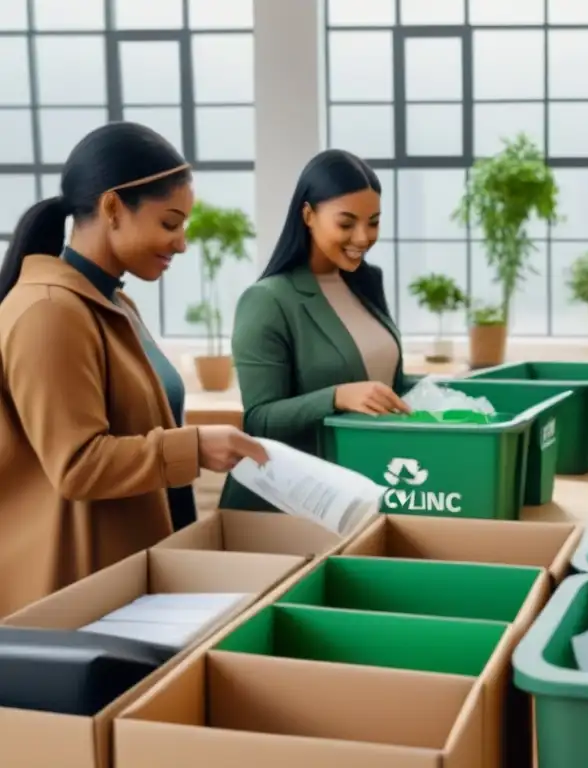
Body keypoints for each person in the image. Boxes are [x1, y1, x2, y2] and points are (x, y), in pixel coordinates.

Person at [0, 122, 268, 616]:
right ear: (111, 208)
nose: (182, 243)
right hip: (81, 588)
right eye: (170, 223)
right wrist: (196, 446)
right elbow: (78, 466)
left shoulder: (116, 303)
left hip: (135, 571)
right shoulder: (49, 311)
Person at [219, 149, 413, 512]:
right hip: (292, 505)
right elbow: (258, 418)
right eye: (346, 223)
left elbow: (380, 379)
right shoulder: (267, 300)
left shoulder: (366, 282)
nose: (363, 237)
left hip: (365, 488)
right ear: (308, 215)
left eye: (373, 221)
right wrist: (336, 396)